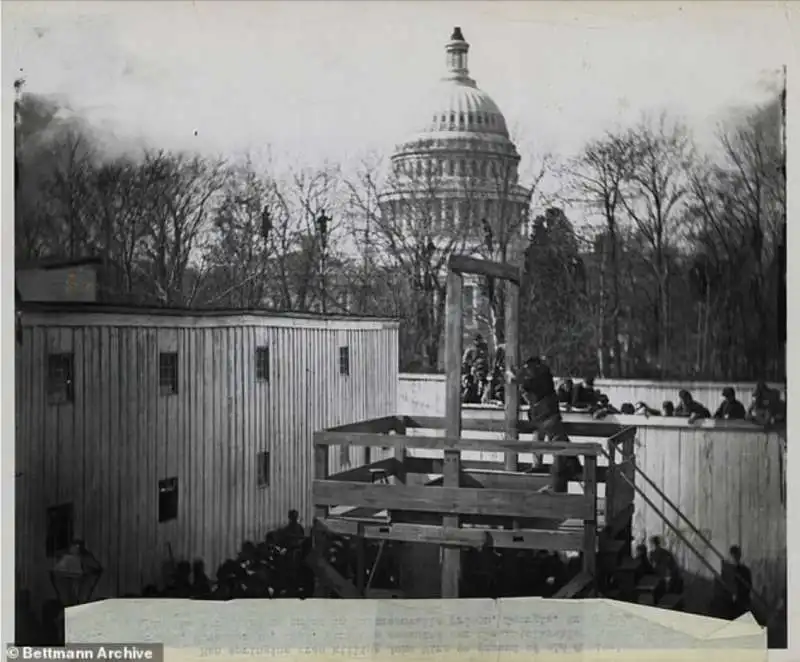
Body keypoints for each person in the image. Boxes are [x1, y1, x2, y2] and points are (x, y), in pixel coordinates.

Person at [507, 355, 582, 493]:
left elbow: (526, 383)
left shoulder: (537, 373)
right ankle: (572, 466)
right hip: (545, 413)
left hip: (545, 414)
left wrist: (514, 377)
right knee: (556, 440)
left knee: (556, 442)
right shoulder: (542, 373)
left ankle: (566, 467)